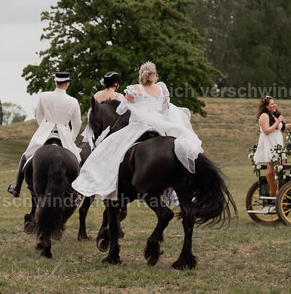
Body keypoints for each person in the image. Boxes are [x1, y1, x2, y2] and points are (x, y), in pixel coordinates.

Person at [72, 62, 204, 200]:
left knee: (106, 148)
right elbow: (165, 110)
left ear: (141, 75)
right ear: (155, 75)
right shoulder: (161, 90)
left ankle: (103, 183)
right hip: (158, 129)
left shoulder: (134, 89)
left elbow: (120, 110)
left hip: (137, 128)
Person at [7, 72, 82, 197]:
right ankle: (78, 193)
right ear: (67, 84)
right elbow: (77, 123)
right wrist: (71, 137)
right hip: (64, 135)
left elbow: (39, 116)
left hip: (45, 133)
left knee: (26, 155)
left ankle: (17, 188)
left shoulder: (44, 96)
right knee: (77, 160)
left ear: (55, 82)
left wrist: (44, 127)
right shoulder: (73, 101)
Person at [253, 96, 291, 205]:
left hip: (277, 142)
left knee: (281, 164)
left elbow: (281, 128)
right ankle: (273, 190)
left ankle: (280, 188)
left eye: (274, 103)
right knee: (271, 164)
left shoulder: (274, 115)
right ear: (266, 106)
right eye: (272, 104)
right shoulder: (264, 115)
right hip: (269, 142)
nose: (274, 105)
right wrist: (278, 122)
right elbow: (266, 131)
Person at [83, 71, 124, 149]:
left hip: (96, 129)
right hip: (112, 131)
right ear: (115, 84)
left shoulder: (97, 95)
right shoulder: (119, 96)